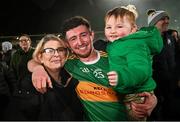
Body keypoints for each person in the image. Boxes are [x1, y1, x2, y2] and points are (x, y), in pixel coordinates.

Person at [28, 16, 157, 121]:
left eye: (83, 35)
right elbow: (35, 60)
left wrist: (153, 99)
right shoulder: (68, 63)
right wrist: (38, 69)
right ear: (68, 44)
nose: (80, 42)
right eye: (73, 39)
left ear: (92, 35)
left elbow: (140, 77)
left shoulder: (114, 58)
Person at [104, 5, 163, 120]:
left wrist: (121, 77)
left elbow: (141, 70)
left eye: (119, 26)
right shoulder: (117, 44)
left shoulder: (134, 44)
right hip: (127, 93)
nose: (113, 31)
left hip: (136, 95)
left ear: (133, 29)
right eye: (108, 27)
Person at [33, 34, 84, 120]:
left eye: (60, 50)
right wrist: (37, 68)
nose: (56, 54)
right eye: (49, 50)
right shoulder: (32, 84)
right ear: (40, 57)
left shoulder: (72, 76)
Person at [147, 9, 178, 120]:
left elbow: (176, 58)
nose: (167, 21)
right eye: (162, 19)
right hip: (155, 88)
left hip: (172, 86)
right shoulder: (145, 40)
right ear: (153, 22)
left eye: (167, 18)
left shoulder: (170, 37)